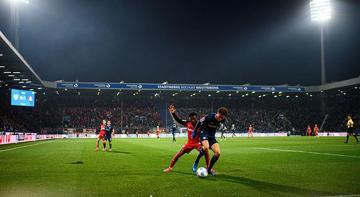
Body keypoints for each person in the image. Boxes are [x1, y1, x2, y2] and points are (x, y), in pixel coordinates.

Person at [163, 105, 210, 173]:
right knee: (179, 154)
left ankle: (208, 167)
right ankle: (170, 168)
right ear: (189, 118)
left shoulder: (200, 124)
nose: (193, 120)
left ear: (196, 118)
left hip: (198, 143)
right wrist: (173, 113)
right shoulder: (187, 123)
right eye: (191, 119)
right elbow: (178, 120)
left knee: (206, 151)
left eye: (194, 118)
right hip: (189, 144)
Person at [192, 107, 228, 176]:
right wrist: (194, 132)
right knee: (206, 147)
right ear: (217, 113)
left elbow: (222, 121)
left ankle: (208, 169)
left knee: (218, 153)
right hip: (204, 133)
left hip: (212, 137)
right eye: (219, 116)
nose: (220, 119)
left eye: (222, 118)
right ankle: (196, 161)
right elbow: (199, 122)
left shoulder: (222, 119)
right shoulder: (209, 117)